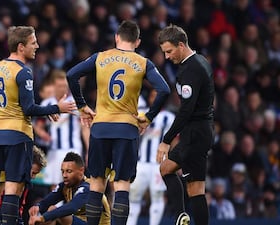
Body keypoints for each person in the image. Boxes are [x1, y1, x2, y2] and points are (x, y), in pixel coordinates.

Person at [67, 20, 171, 225]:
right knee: (121, 185)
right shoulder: (143, 63)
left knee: (97, 184)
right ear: (138, 41)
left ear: (116, 37)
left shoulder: (100, 57)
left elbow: (72, 75)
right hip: (127, 127)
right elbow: (165, 90)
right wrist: (148, 118)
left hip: (101, 126)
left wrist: (82, 106)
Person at [0, 25, 77, 225]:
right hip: (17, 135)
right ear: (20, 47)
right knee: (12, 188)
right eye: (33, 43)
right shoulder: (23, 72)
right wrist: (56, 108)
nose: (38, 46)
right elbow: (28, 108)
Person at [156, 24, 215, 225]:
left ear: (181, 45)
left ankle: (182, 216)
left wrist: (166, 140)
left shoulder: (192, 69)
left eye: (169, 51)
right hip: (199, 131)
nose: (166, 57)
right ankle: (181, 215)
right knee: (167, 169)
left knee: (195, 190)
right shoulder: (200, 62)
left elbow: (186, 110)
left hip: (195, 134)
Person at [127, 92, 175, 225]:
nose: (155, 97)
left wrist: (174, 161)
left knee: (158, 197)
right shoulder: (141, 114)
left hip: (159, 164)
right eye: (153, 94)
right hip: (141, 163)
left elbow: (175, 141)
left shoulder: (170, 118)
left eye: (159, 94)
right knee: (133, 197)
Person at [28, 152, 110, 225]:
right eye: (62, 171)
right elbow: (49, 200)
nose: (64, 175)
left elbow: (72, 207)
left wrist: (43, 218)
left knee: (56, 213)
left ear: (81, 171)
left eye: (69, 171)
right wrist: (37, 207)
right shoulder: (65, 186)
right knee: (50, 210)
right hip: (79, 222)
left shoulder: (89, 187)